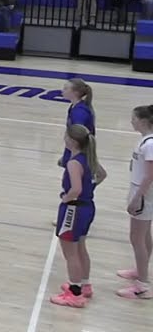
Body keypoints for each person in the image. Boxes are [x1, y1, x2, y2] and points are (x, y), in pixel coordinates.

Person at [49, 124, 99, 308]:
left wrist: (65, 199)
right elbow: (102, 175)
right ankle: (85, 284)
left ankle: (75, 293)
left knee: (70, 253)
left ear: (71, 140)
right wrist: (89, 189)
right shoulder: (90, 156)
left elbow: (75, 189)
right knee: (80, 248)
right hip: (88, 207)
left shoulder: (74, 162)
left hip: (73, 209)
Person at [117, 105, 153, 301]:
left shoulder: (150, 144)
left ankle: (143, 286)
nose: (131, 121)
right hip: (141, 191)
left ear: (144, 121)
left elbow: (150, 175)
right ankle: (141, 269)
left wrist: (138, 197)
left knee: (136, 237)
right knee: (144, 235)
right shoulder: (145, 141)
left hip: (144, 193)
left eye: (134, 118)